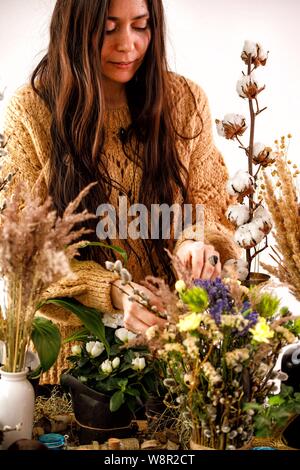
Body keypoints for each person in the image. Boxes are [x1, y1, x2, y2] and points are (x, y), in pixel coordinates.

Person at [2, 0, 239, 383]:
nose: (127, 44)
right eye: (109, 29)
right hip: (72, 369)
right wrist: (112, 291)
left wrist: (196, 243)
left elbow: (213, 209)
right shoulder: (31, 112)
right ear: (74, 29)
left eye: (140, 26)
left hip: (175, 362)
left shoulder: (184, 102)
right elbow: (26, 257)